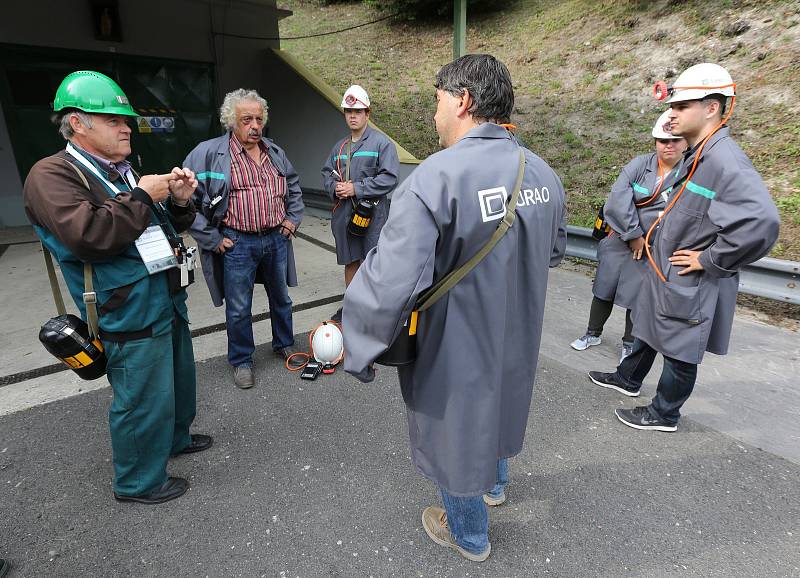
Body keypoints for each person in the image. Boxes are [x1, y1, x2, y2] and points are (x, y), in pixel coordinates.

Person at [343, 54, 567, 561]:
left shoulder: (434, 177)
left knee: (457, 425)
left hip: (458, 335)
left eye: (439, 101)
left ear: (463, 101)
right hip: (516, 327)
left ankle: (470, 535)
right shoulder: (543, 173)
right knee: (503, 397)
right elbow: (553, 253)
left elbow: (389, 282)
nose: (436, 114)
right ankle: (496, 486)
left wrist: (351, 341)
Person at [23, 71, 212, 505]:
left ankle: (175, 438)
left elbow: (161, 227)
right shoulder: (52, 174)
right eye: (113, 119)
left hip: (163, 291)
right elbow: (89, 235)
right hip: (124, 304)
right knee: (141, 394)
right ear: (77, 124)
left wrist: (179, 201)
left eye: (126, 119)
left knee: (177, 378)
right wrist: (143, 197)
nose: (127, 126)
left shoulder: (124, 170)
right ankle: (138, 481)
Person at [588, 63, 780, 431]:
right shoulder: (699, 154)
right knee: (649, 326)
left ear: (711, 107)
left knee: (680, 347)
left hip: (689, 275)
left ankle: (664, 413)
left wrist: (710, 259)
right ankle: (628, 379)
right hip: (666, 271)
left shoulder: (724, 160)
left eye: (680, 107)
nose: (672, 115)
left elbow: (761, 223)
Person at [183, 89, 304, 389]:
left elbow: (293, 184)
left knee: (281, 298)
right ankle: (241, 360)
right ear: (230, 121)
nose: (254, 126)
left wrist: (292, 219)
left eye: (259, 119)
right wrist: (212, 238)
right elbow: (184, 203)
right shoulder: (208, 153)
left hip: (275, 238)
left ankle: (284, 344)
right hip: (237, 242)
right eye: (246, 119)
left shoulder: (274, 152)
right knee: (238, 307)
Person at [571, 111, 687, 362]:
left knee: (638, 298)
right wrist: (634, 234)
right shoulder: (640, 165)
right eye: (662, 140)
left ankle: (629, 344)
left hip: (653, 249)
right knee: (604, 288)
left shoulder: (688, 174)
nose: (668, 145)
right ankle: (592, 333)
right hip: (621, 239)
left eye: (675, 140)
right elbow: (617, 200)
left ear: (685, 142)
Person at [321, 85, 399, 322]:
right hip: (345, 215)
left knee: (372, 262)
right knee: (351, 261)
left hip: (372, 215)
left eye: (358, 111)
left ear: (367, 113)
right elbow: (327, 173)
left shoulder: (381, 144)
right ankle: (352, 307)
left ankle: (375, 311)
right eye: (348, 111)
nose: (353, 116)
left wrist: (357, 188)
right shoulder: (340, 147)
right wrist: (334, 187)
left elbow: (390, 178)